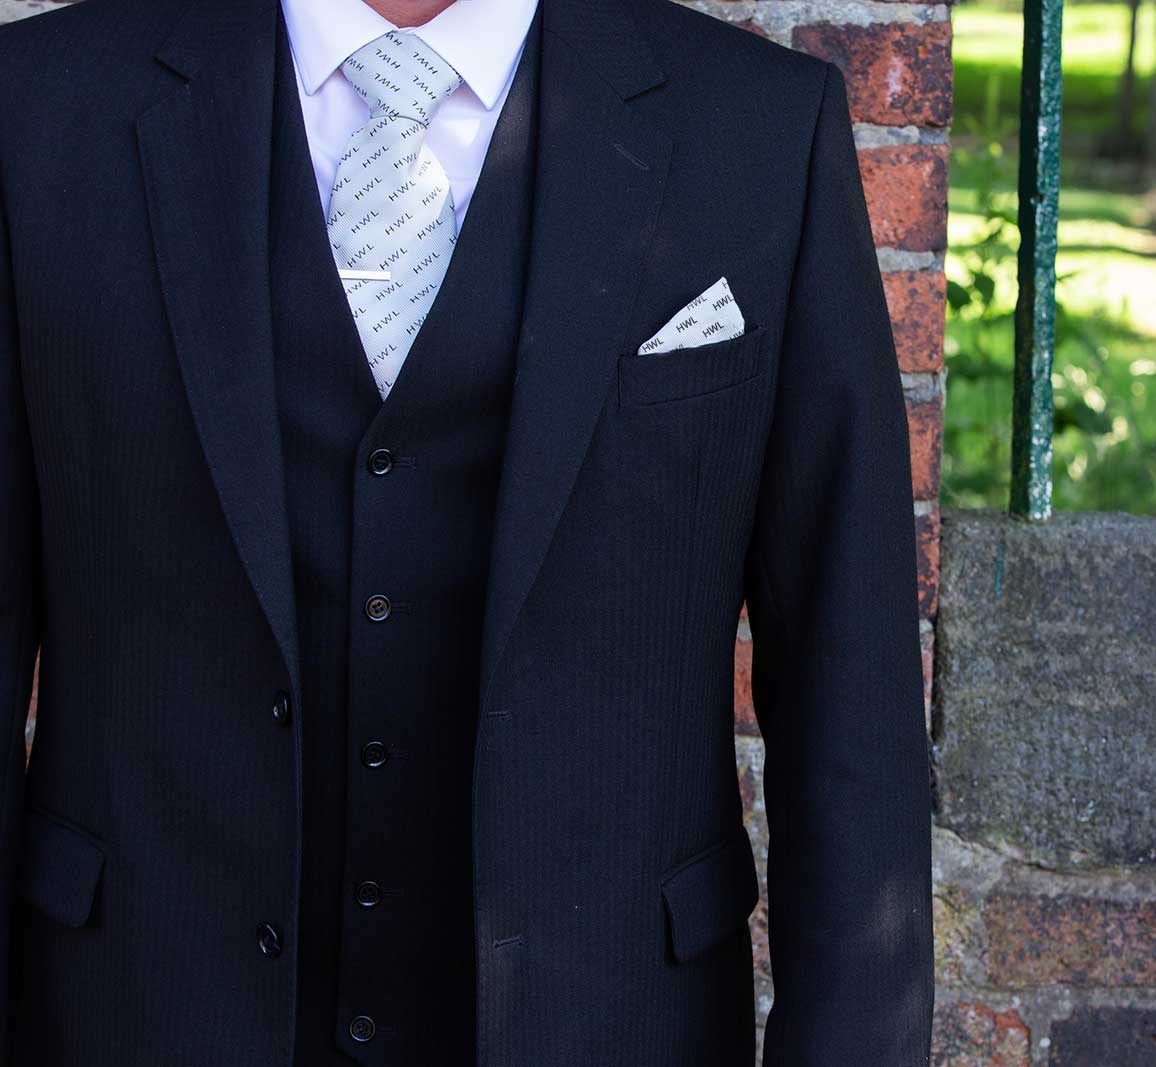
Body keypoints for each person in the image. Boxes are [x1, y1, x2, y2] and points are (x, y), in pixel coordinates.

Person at [0, 0, 934, 1062]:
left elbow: (846, 682)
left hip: (608, 1020)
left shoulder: (759, 127)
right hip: (142, 1010)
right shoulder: (37, 108)